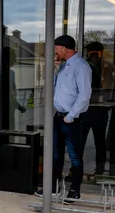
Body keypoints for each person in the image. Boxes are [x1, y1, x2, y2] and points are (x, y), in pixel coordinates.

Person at [36, 34, 90, 202]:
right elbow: (53, 87)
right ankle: (53, 187)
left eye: (56, 48)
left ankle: (75, 189)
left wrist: (71, 116)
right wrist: (53, 69)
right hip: (58, 117)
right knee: (55, 154)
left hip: (71, 119)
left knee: (74, 156)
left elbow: (85, 95)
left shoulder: (81, 67)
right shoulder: (63, 66)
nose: (55, 51)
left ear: (64, 49)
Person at [80, 41, 115, 177]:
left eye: (95, 53)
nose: (92, 56)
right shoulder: (82, 67)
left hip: (100, 110)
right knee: (80, 141)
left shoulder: (109, 68)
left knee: (100, 142)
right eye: (90, 53)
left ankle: (100, 170)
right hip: (85, 109)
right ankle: (76, 169)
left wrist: (110, 101)